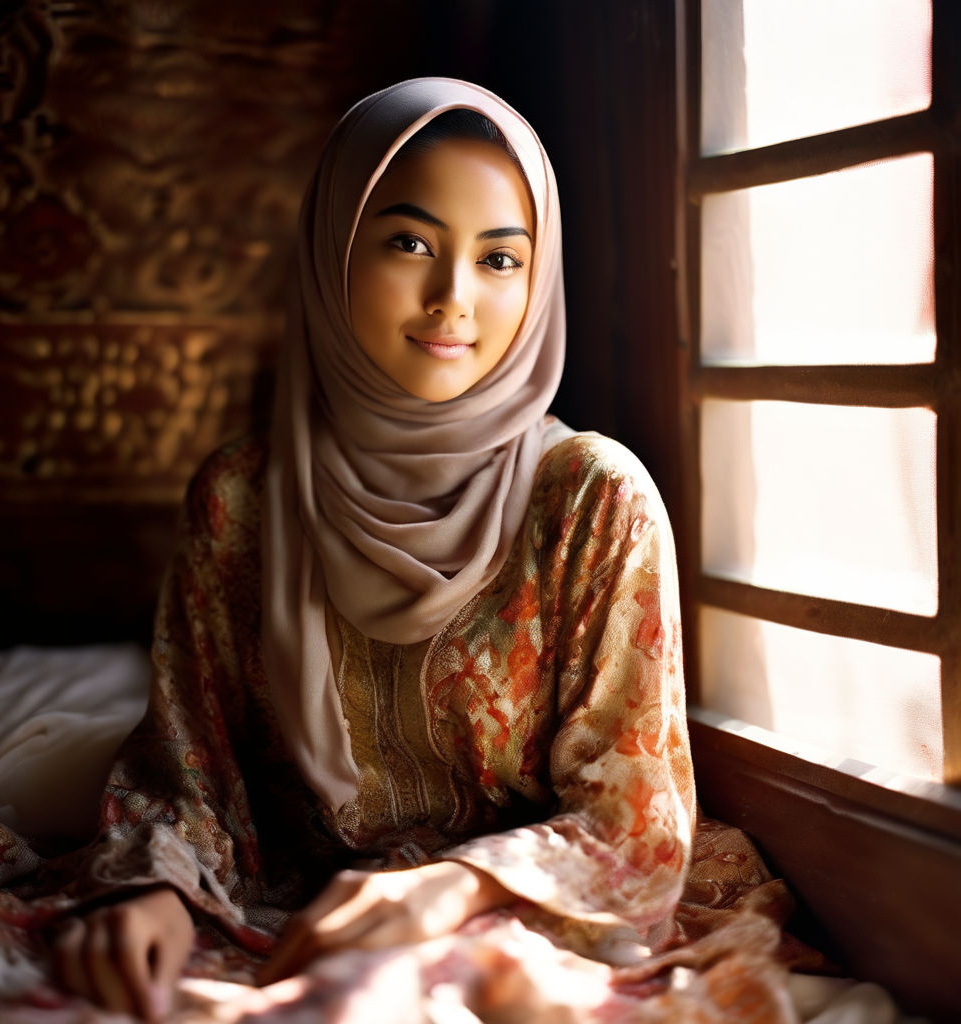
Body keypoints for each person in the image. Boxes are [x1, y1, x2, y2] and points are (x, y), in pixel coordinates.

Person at [44, 77, 694, 1019]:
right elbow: (187, 768)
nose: (453, 298)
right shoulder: (241, 501)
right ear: (332, 253)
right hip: (280, 918)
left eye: (501, 259)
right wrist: (154, 889)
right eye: (409, 243)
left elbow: (635, 826)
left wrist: (449, 891)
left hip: (514, 921)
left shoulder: (594, 500)